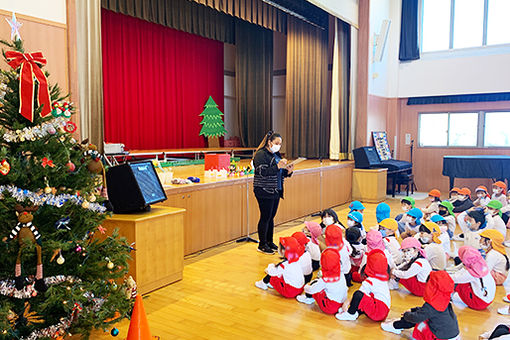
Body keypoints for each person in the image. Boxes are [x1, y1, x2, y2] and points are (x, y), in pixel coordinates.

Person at [381, 271, 460, 340]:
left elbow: (416, 318)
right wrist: (413, 310)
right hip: (452, 334)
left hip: (441, 337)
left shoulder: (431, 306)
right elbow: (426, 311)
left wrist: (406, 315)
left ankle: (395, 326)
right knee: (419, 316)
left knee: (417, 321)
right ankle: (398, 323)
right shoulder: (444, 300)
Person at [253, 131, 294, 254]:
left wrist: (288, 171)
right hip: (264, 190)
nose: (278, 146)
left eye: (280, 144)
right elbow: (262, 172)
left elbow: (279, 172)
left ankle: (269, 241)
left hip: (276, 189)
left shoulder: (277, 155)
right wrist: (278, 167)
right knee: (265, 217)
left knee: (271, 217)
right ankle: (262, 244)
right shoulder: (261, 154)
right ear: (269, 142)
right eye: (276, 143)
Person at [335, 249, 391, 322]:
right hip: (384, 311)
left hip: (377, 312)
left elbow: (359, 295)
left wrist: (347, 302)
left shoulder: (370, 280)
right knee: (365, 297)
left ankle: (350, 314)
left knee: (357, 294)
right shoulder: (383, 279)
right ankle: (356, 312)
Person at [296, 248, 348, 314]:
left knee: (315, 285)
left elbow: (313, 289)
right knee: (318, 284)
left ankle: (308, 298)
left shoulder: (325, 280)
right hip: (342, 303)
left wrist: (306, 287)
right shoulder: (341, 273)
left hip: (330, 307)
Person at [450, 245, 495, 310]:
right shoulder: (481, 265)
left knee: (458, 283)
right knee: (463, 280)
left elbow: (454, 278)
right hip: (488, 300)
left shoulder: (471, 273)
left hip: (479, 303)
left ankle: (449, 297)